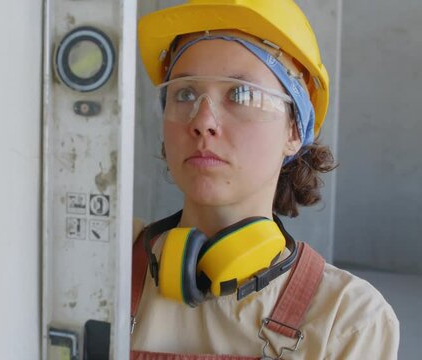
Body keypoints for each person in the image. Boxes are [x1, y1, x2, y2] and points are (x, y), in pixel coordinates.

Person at [130, 0, 399, 359]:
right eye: (185, 93)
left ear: (293, 129)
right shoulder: (101, 256)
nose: (202, 120)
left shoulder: (347, 319)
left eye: (241, 94)